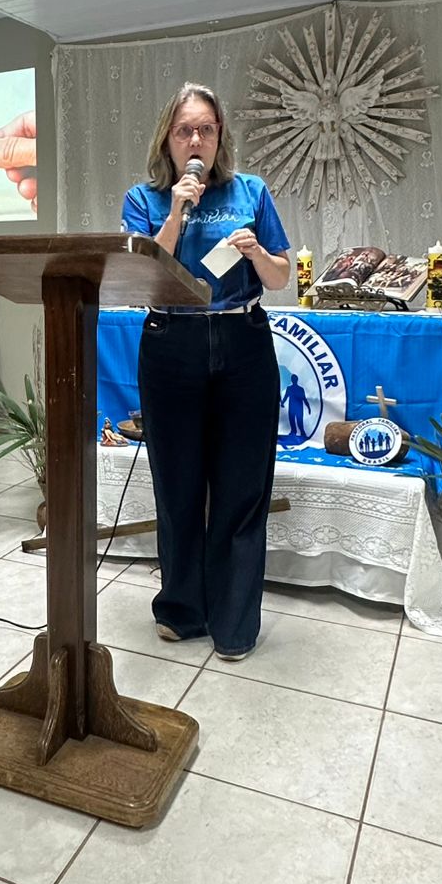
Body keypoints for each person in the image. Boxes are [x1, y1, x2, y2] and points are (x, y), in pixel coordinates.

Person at [121, 84, 290, 660]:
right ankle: (182, 609)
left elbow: (280, 276)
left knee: (243, 487)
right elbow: (143, 275)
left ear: (220, 137)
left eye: (207, 129)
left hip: (243, 342)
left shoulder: (252, 191)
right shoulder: (144, 198)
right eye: (184, 130)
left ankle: (235, 623)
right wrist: (176, 212)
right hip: (172, 343)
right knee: (178, 486)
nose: (196, 140)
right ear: (167, 140)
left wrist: (258, 254)